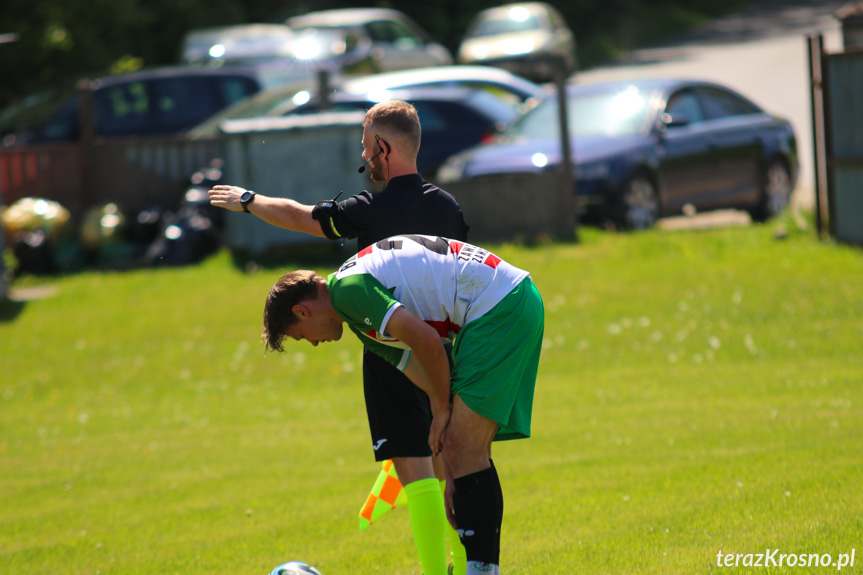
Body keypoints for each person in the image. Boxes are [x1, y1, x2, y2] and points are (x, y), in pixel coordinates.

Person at [208, 100, 469, 575]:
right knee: (459, 464)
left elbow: (299, 216)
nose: (363, 156)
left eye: (366, 147)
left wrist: (249, 200)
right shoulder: (447, 208)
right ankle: (477, 566)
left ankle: (438, 571)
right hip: (450, 346)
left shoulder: (369, 209)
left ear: (383, 148)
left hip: (390, 342)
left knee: (415, 468)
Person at [262, 234, 545, 575]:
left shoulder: (349, 292)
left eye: (301, 335)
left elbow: (426, 341)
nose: (313, 343)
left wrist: (441, 412)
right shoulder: (358, 320)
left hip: (498, 307)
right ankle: (481, 567)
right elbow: (422, 372)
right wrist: (452, 470)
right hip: (507, 301)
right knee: (462, 447)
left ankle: (482, 570)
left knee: (465, 445)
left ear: (302, 311)